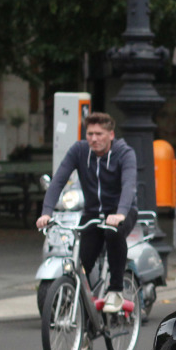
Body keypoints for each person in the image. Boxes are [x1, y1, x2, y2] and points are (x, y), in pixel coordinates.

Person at [36, 112, 137, 313]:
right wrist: (46, 212)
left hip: (121, 211)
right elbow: (58, 181)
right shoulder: (80, 151)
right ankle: (85, 320)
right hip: (92, 212)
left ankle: (115, 290)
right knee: (82, 263)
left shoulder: (124, 153)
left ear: (111, 134)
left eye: (99, 134)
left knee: (112, 233)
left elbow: (128, 186)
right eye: (90, 133)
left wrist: (120, 213)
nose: (93, 138)